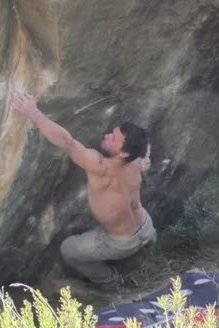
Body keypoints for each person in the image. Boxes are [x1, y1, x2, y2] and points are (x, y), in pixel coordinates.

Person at [11, 90, 155, 284]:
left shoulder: (99, 166)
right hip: (146, 227)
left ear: (123, 154)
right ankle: (149, 253)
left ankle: (109, 281)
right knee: (143, 240)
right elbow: (146, 148)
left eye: (113, 139)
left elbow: (67, 142)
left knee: (68, 250)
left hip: (119, 243)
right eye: (112, 133)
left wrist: (33, 112)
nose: (106, 136)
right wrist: (145, 160)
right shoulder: (137, 161)